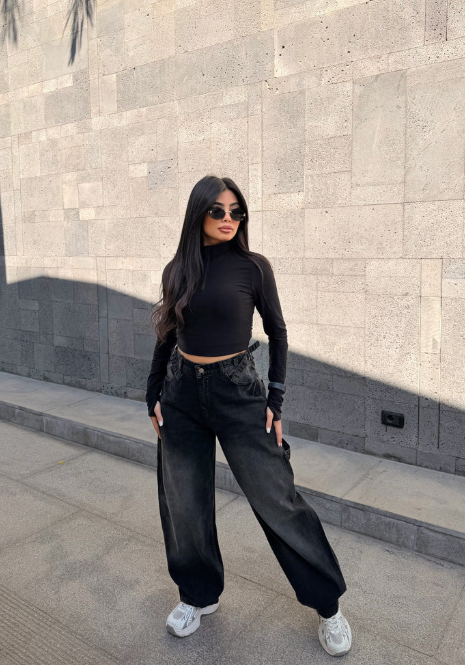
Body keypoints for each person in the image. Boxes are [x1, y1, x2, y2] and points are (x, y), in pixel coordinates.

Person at [146, 175, 352, 657]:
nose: (229, 219)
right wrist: (152, 392)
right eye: (218, 210)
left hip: (238, 391)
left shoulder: (254, 267)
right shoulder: (177, 269)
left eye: (236, 211)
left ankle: (328, 606)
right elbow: (166, 335)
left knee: (278, 499)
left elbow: (278, 333)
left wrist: (275, 400)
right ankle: (198, 596)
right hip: (181, 394)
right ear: (198, 213)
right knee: (183, 502)